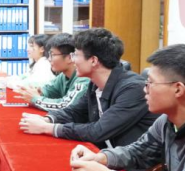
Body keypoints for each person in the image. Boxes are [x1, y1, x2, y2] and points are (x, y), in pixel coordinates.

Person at [19, 28, 158, 153]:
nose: (73, 61)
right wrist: (47, 119)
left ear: (93, 61)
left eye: (76, 55)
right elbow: (75, 111)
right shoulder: (95, 84)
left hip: (130, 166)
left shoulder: (133, 89)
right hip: (104, 155)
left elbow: (98, 131)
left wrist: (47, 128)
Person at [14, 33, 89, 111]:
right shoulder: (63, 76)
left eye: (53, 55)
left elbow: (67, 106)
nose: (49, 59)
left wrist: (36, 99)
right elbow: (51, 91)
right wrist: (40, 92)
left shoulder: (83, 78)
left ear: (70, 57)